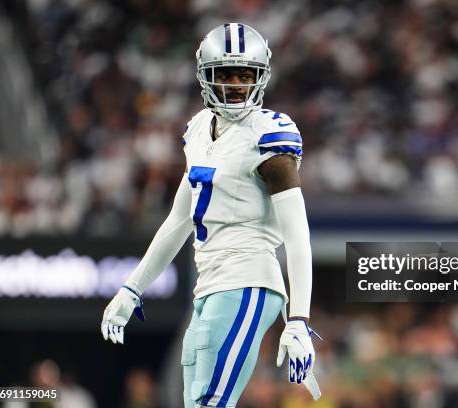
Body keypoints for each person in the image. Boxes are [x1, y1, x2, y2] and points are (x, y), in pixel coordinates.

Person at [101, 23, 320, 408]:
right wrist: (132, 287)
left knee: (210, 402)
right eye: (226, 74)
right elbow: (179, 220)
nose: (236, 84)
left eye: (245, 74)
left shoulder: (268, 135)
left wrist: (299, 319)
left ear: (260, 77)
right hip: (209, 284)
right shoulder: (199, 129)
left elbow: (298, 236)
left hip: (249, 278)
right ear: (206, 76)